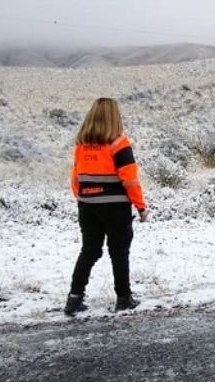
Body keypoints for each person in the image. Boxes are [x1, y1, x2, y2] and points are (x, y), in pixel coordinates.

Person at [64, 98, 149, 316]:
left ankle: (74, 299)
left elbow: (76, 177)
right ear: (114, 116)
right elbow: (130, 179)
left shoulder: (82, 144)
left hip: (87, 206)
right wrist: (141, 207)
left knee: (90, 250)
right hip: (115, 207)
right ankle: (123, 298)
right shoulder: (119, 143)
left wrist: (82, 199)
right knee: (119, 251)